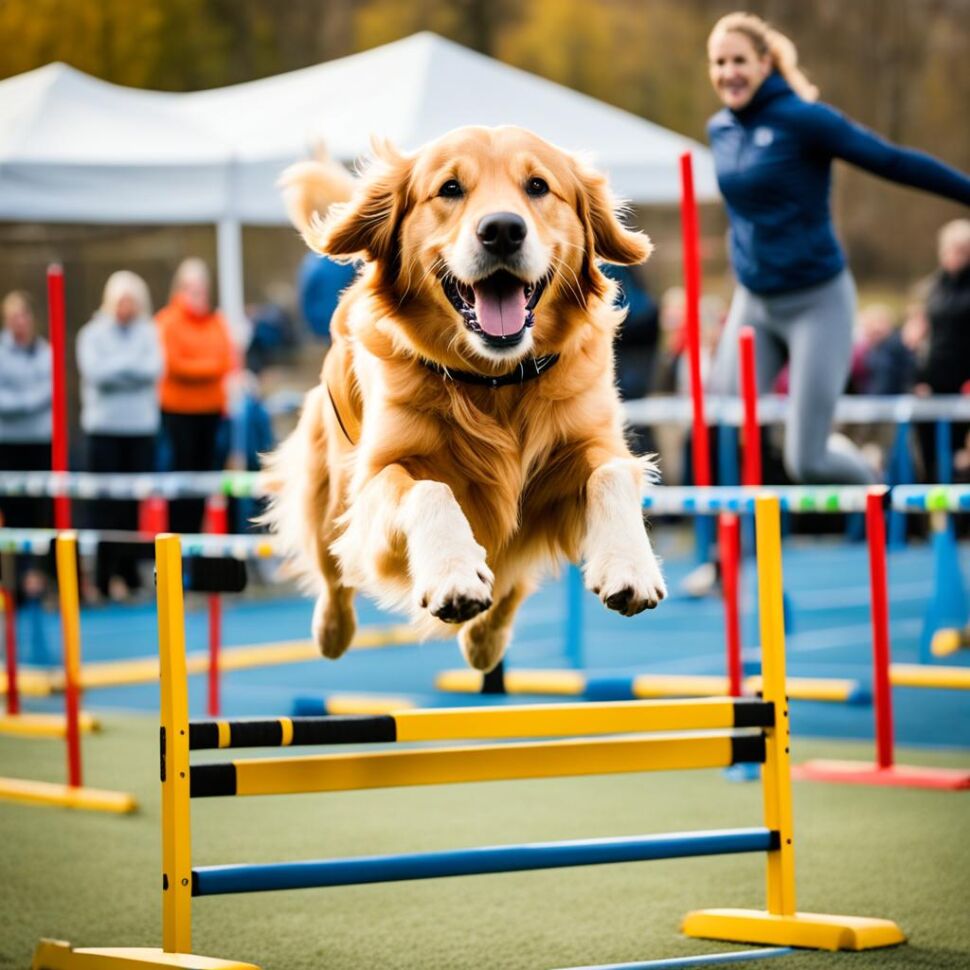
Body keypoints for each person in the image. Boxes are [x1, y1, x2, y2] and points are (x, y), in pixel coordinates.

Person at [705, 12, 970, 487]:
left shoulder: (806, 121)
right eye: (719, 62)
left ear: (765, 63)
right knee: (721, 409)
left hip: (815, 300)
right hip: (755, 301)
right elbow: (748, 210)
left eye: (739, 60)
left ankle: (873, 481)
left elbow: (891, 160)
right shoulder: (720, 129)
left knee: (806, 462)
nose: (729, 72)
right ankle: (733, 556)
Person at [76, 271, 163, 600]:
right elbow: (97, 374)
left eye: (131, 300)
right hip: (104, 431)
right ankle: (102, 576)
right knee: (104, 507)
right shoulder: (91, 334)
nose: (126, 307)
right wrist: (132, 369)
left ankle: (129, 573)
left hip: (140, 432)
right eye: (121, 300)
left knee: (131, 507)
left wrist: (118, 368)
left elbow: (153, 370)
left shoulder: (149, 332)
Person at [156, 258, 235, 533]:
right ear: (179, 288)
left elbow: (226, 360)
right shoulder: (167, 322)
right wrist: (208, 368)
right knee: (180, 487)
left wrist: (200, 367)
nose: (198, 293)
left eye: (202, 287)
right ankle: (176, 546)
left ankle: (197, 547)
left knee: (205, 485)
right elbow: (174, 365)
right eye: (191, 287)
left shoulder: (217, 322)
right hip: (177, 415)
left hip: (211, 415)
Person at [0, 290, 52, 599]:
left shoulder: (45, 351)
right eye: (13, 316)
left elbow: (51, 390)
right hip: (8, 445)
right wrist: (30, 401)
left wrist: (19, 401)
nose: (19, 322)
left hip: (40, 442)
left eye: (24, 315)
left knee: (40, 512)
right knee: (14, 513)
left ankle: (38, 576)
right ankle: (16, 578)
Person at [914, 218, 970, 481]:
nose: (952, 255)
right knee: (932, 460)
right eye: (949, 248)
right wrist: (920, 380)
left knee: (961, 461)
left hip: (964, 387)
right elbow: (923, 339)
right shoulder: (933, 288)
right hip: (933, 385)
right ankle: (938, 521)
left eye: (960, 249)